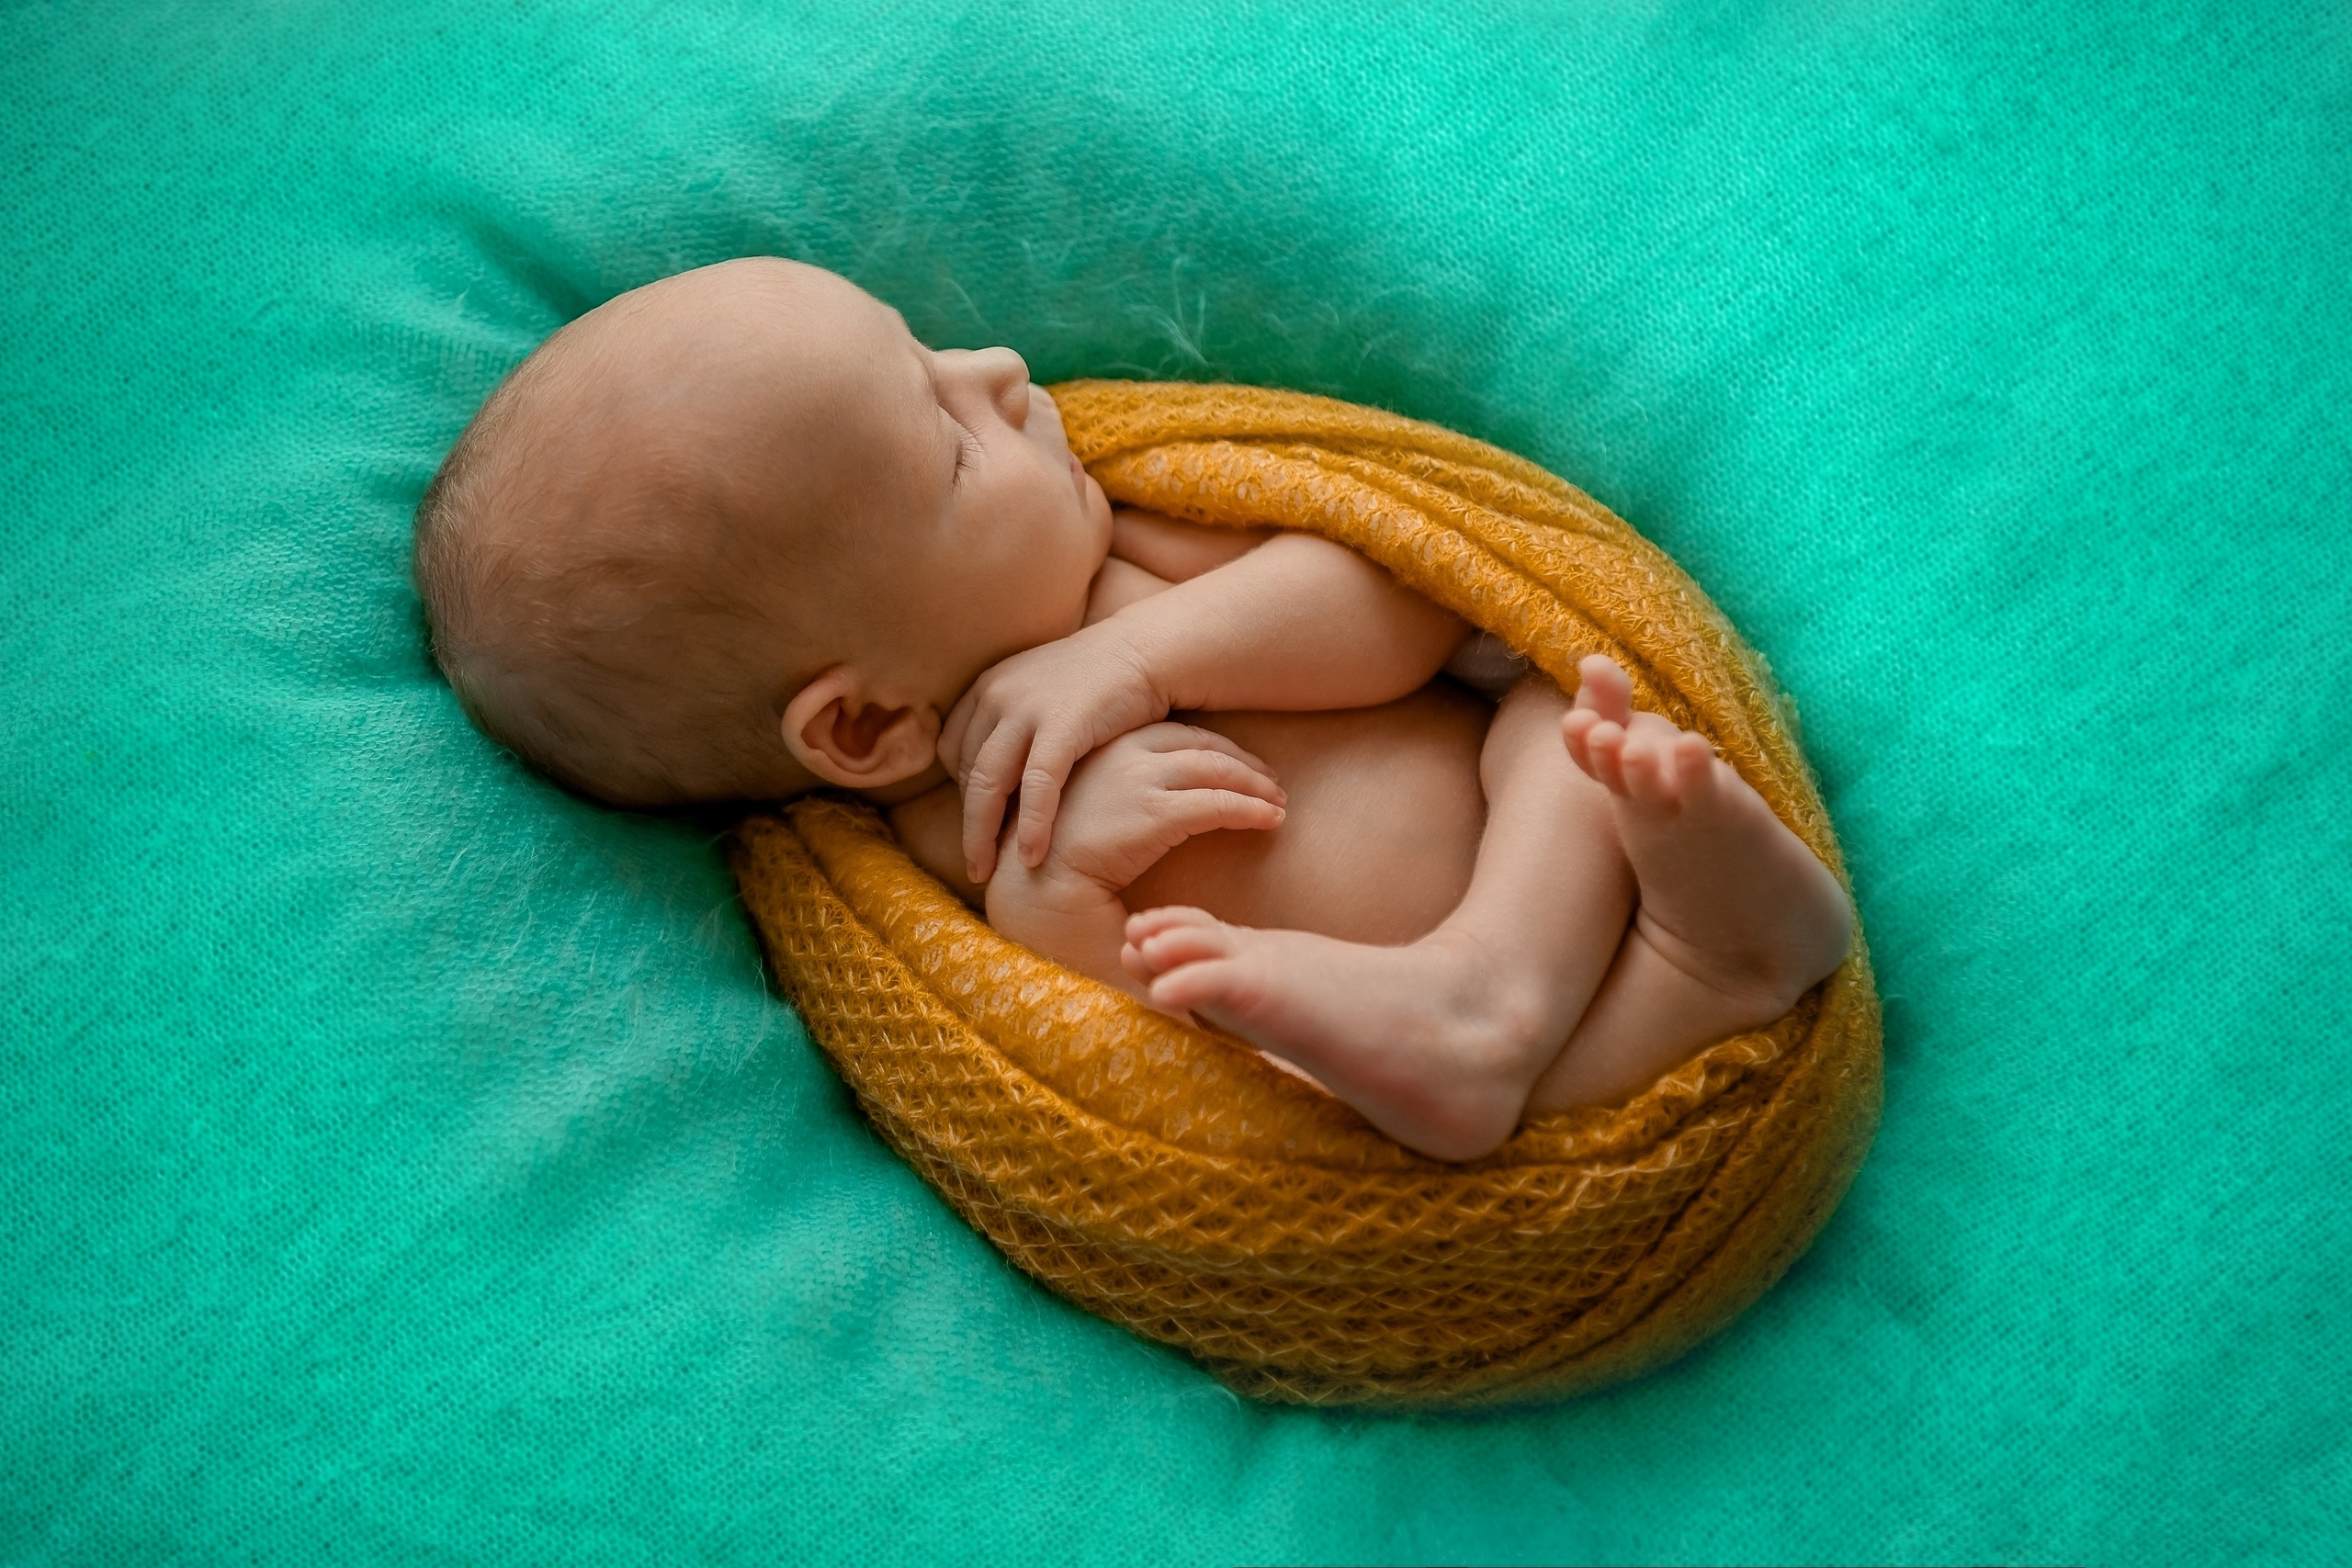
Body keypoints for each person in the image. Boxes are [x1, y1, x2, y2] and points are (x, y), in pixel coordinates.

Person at [413, 256, 1851, 1161]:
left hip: (1535, 875)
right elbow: (1116, 1074)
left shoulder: (1135, 561)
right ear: (859, 731)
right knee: (1354, 1116)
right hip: (1521, 1081)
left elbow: (1413, 603)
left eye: (933, 351)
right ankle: (1710, 969)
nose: (999, 372)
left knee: (1562, 713)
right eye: (949, 438)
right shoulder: (940, 851)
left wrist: (1147, 656)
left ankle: (1536, 974)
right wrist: (1061, 898)